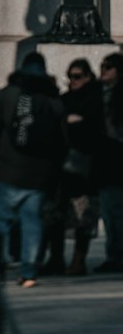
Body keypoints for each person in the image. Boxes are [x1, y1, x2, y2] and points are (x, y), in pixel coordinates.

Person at [0, 50, 65, 287]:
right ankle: (28, 272)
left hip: (7, 168)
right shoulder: (51, 98)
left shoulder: (7, 95)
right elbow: (62, 139)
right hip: (38, 173)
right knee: (32, 223)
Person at [48, 58, 102, 277]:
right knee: (57, 216)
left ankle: (78, 261)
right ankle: (56, 259)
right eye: (70, 76)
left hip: (86, 167)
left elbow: (95, 129)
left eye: (77, 76)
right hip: (63, 165)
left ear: (88, 76)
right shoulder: (64, 99)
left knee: (82, 217)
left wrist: (77, 122)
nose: (73, 80)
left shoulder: (95, 99)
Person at [96, 53, 123, 272]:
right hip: (105, 160)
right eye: (103, 66)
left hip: (116, 157)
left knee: (116, 210)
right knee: (109, 211)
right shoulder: (98, 94)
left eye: (109, 67)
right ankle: (113, 254)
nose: (104, 70)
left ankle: (116, 255)